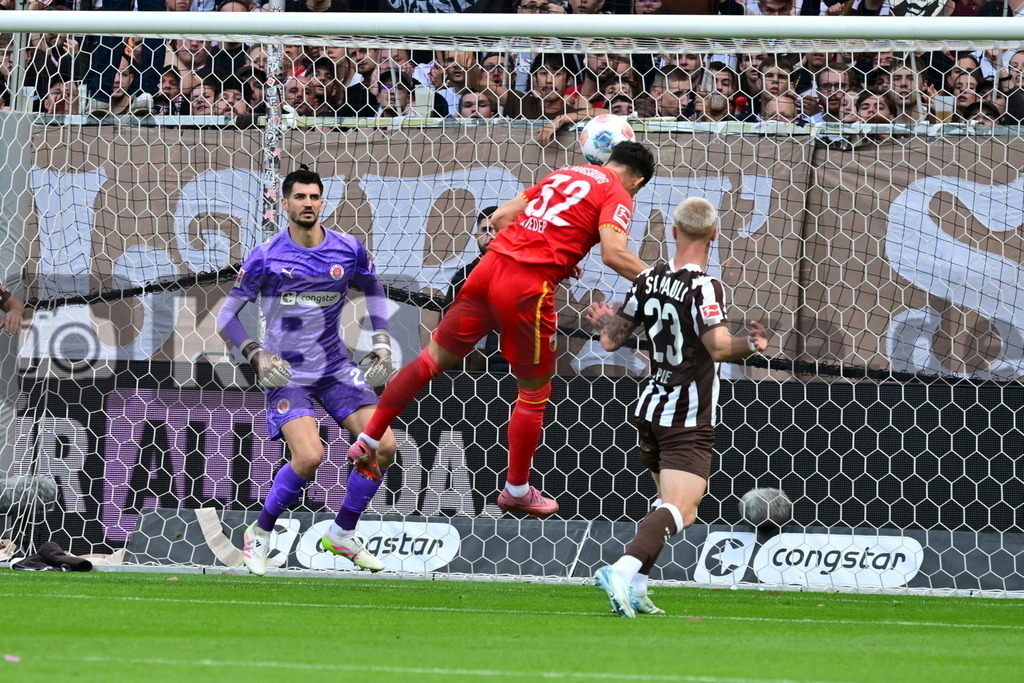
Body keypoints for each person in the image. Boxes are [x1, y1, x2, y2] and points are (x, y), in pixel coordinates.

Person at [347, 141, 657, 519]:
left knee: (429, 361)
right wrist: (666, 280)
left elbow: (501, 218)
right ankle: (516, 489)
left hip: (487, 271)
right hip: (527, 288)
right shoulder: (618, 193)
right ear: (637, 180)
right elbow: (614, 253)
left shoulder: (564, 174)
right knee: (535, 391)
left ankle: (368, 438)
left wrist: (549, 247)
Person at [585, 197, 768, 617]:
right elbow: (719, 347)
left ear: (673, 232)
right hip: (687, 415)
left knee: (669, 505)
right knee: (682, 509)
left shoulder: (648, 279)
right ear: (715, 234)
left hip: (650, 407)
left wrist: (602, 322)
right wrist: (752, 344)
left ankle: (638, 586)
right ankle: (622, 569)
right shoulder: (704, 286)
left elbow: (610, 340)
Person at [216, 167, 398, 576]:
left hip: (334, 367)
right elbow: (227, 316)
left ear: (322, 202)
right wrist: (255, 353)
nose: (308, 204)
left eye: (314, 197)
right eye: (299, 197)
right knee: (310, 456)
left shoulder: (348, 249)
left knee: (384, 446)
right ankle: (259, 534)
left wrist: (382, 340)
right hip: (287, 372)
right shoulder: (267, 255)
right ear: (284, 203)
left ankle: (342, 534)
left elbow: (374, 290)